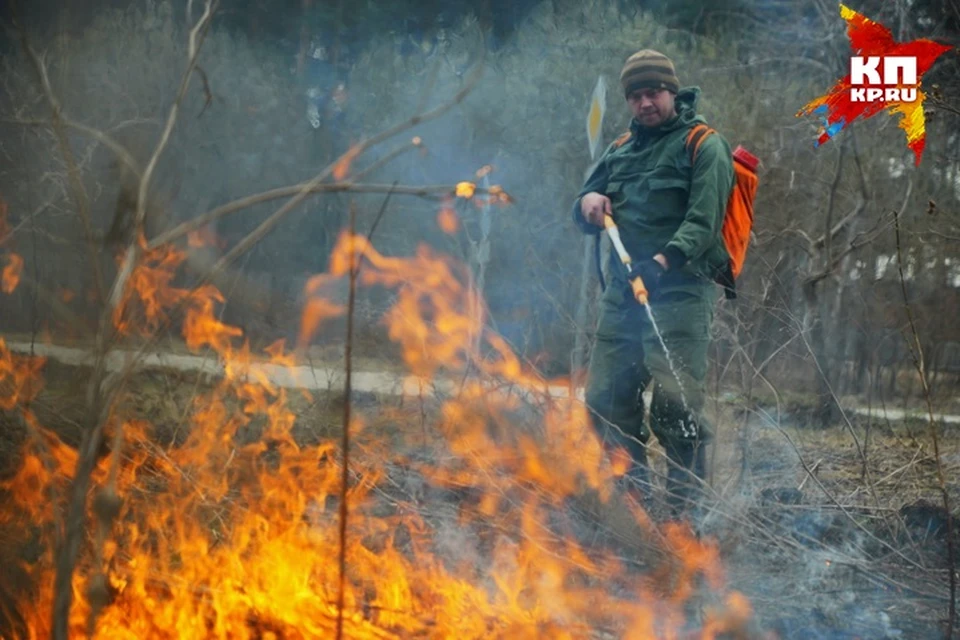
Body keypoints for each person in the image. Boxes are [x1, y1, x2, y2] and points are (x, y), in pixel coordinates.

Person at [572, 49, 734, 516]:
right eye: (636, 95)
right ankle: (633, 514)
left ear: (672, 91)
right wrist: (588, 203)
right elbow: (586, 198)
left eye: (654, 92)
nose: (646, 103)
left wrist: (661, 262)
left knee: (676, 410)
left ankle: (686, 525)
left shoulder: (704, 145)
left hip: (680, 294)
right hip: (623, 297)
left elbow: (704, 224)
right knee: (605, 400)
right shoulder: (620, 149)